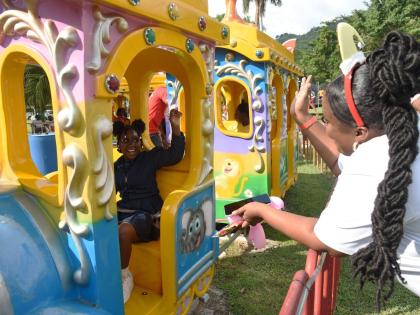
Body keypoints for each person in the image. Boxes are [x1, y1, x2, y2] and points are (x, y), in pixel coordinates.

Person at [232, 31, 420, 310]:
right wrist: (303, 117)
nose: (326, 128)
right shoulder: (401, 130)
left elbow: (325, 239)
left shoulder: (375, 163)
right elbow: (343, 164)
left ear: (360, 132)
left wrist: (264, 211)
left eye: (328, 122)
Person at [113, 109, 185, 303]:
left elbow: (175, 154)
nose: (131, 145)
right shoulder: (116, 166)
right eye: (126, 141)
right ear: (118, 145)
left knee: (123, 232)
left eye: (135, 140)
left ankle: (124, 276)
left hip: (148, 215)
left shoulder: (149, 158)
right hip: (124, 211)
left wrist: (175, 127)